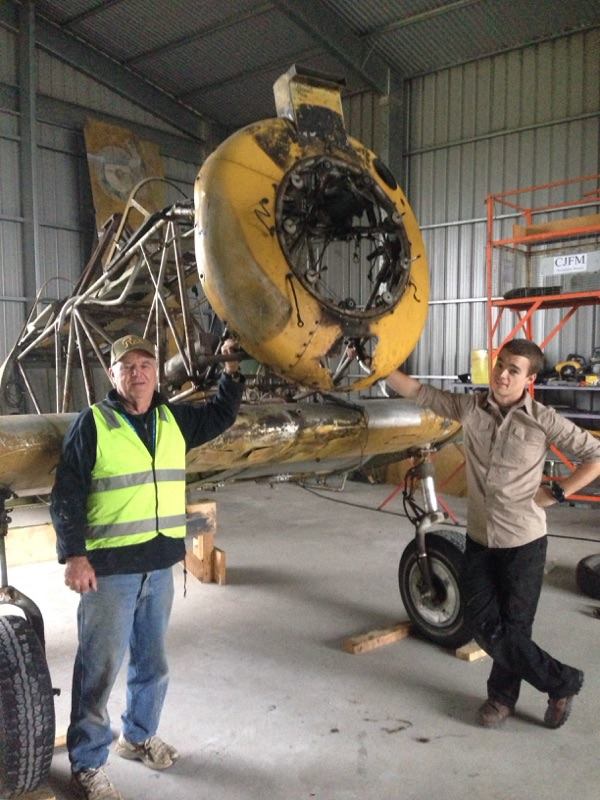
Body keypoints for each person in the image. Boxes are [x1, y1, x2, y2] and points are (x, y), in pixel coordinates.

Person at [50, 334, 244, 800]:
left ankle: (138, 735)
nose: (137, 373)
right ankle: (88, 763)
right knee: (99, 669)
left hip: (159, 567)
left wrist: (233, 372)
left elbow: (219, 415)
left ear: (156, 373)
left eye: (145, 364)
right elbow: (67, 492)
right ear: (112, 376)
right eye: (127, 366)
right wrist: (74, 555)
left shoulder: (172, 418)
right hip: (109, 572)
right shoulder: (94, 423)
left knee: (152, 664)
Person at [381, 339, 600, 730]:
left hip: (524, 541)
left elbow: (594, 456)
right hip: (480, 538)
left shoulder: (543, 419)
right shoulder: (470, 407)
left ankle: (501, 700)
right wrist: (379, 365)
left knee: (514, 628)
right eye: (500, 364)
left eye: (513, 369)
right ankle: (561, 681)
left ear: (529, 379)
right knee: (483, 623)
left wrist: (559, 492)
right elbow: (419, 392)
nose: (501, 374)